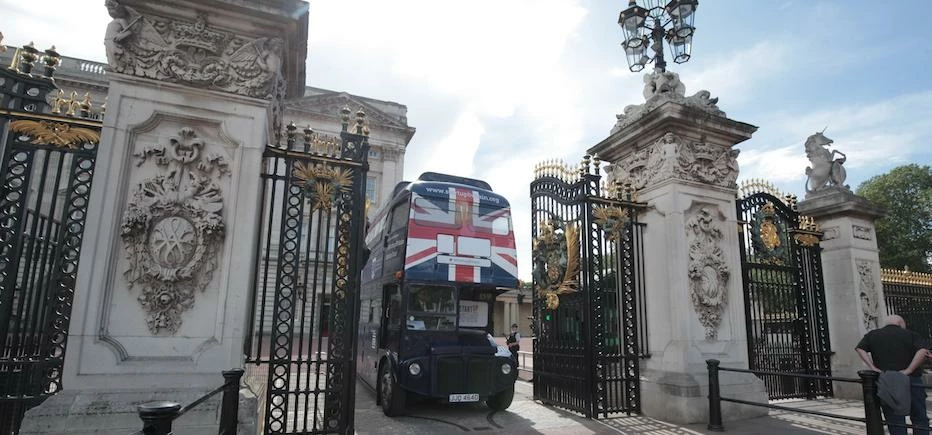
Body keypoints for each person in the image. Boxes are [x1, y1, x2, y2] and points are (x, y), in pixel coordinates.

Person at [857, 314, 932, 435]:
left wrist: (872, 367)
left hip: (887, 379)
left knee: (894, 418)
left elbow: (860, 348)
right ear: (901, 323)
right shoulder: (910, 334)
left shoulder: (873, 335)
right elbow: (923, 350)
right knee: (919, 415)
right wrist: (909, 369)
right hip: (911, 379)